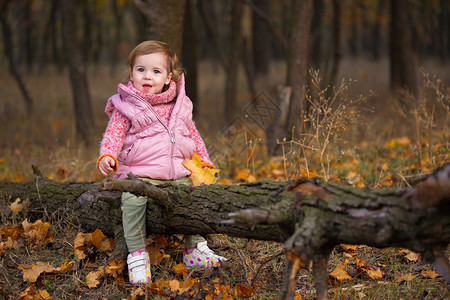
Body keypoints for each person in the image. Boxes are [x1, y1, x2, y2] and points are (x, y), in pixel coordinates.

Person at [96, 40, 226, 285]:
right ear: (131, 73)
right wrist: (108, 156)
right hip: (140, 172)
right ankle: (137, 254)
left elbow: (192, 134)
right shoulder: (126, 106)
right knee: (132, 200)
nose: (147, 76)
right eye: (141, 69)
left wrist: (204, 160)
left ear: (168, 78)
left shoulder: (181, 104)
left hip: (178, 171)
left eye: (156, 71)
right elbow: (113, 134)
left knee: (195, 196)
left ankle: (195, 248)